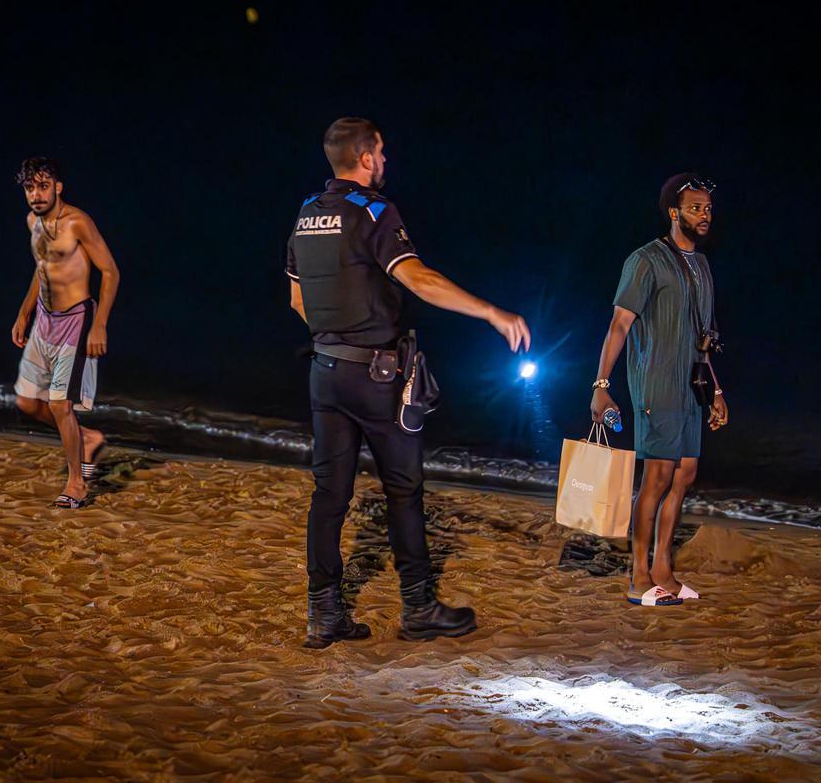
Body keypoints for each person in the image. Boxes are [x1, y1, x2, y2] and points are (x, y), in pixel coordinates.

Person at [286, 117, 531, 648]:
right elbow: (416, 277)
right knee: (404, 491)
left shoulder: (306, 215)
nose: (386, 161)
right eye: (382, 153)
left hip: (323, 372)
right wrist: (490, 312)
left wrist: (336, 335)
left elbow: (298, 300)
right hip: (374, 377)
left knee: (329, 495)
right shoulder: (375, 212)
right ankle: (419, 607)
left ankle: (323, 615)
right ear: (367, 157)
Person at [589, 173, 728, 606]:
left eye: (707, 208)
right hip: (655, 382)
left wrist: (717, 392)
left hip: (692, 386)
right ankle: (638, 577)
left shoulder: (701, 265)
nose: (703, 215)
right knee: (658, 476)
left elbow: (703, 335)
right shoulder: (646, 260)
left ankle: (664, 572)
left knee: (685, 475)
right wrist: (601, 385)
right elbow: (619, 324)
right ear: (674, 212)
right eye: (694, 208)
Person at [11, 157, 120, 509]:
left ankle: (77, 484)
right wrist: (24, 313)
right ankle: (87, 439)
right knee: (27, 402)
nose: (36, 194)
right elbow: (42, 269)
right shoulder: (33, 221)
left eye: (43, 186)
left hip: (75, 320)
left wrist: (100, 323)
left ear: (58, 187)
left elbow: (110, 272)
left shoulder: (77, 222)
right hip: (43, 320)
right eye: (30, 188)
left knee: (60, 404)